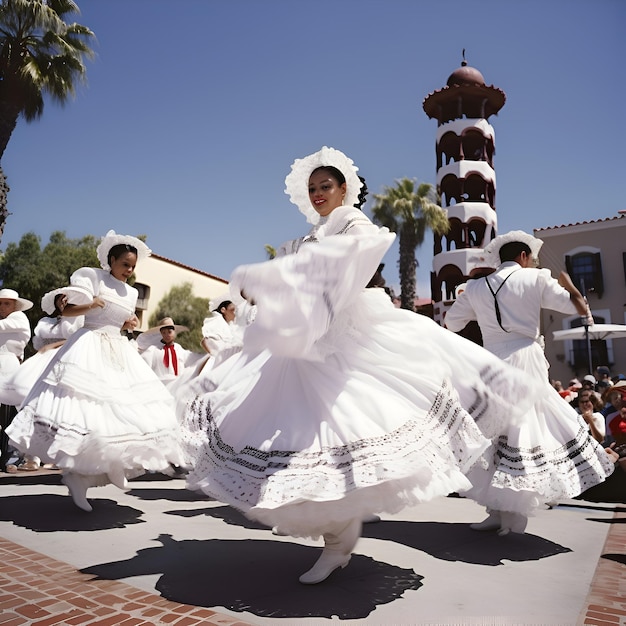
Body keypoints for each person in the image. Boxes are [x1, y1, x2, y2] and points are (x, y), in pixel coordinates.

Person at [184, 147, 541, 585]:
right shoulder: (313, 234)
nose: (318, 193)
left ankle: (338, 540)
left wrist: (294, 270)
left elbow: (358, 255)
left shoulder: (353, 224)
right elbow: (298, 272)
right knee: (297, 439)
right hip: (308, 343)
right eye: (313, 188)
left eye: (325, 186)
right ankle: (338, 532)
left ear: (344, 189)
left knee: (345, 428)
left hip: (351, 336)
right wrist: (276, 280)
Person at [445, 230, 614, 533]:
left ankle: (500, 511)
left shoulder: (475, 287)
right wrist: (571, 287)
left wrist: (471, 300)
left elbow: (451, 323)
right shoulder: (535, 279)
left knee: (493, 433)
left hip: (490, 361)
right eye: (532, 259)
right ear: (523, 257)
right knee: (525, 429)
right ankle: (508, 512)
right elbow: (575, 307)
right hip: (524, 357)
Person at [6, 230, 185, 511]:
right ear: (111, 260)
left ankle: (112, 467)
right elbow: (67, 312)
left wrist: (128, 324)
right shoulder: (93, 277)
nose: (129, 270)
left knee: (123, 414)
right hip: (89, 346)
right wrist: (92, 304)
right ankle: (78, 476)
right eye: (125, 264)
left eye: (133, 266)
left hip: (119, 350)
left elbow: (125, 320)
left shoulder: (132, 291)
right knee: (87, 412)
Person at [0, 288, 33, 472]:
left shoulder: (19, 317)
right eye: (0, 303)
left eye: (7, 303)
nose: (2, 307)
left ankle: (12, 459)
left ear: (15, 305)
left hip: (9, 368)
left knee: (13, 417)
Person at [138, 317, 193, 387]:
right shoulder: (154, 350)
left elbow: (191, 360)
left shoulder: (180, 350)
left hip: (178, 386)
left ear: (174, 332)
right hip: (161, 387)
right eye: (164, 333)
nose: (167, 335)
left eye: (169, 332)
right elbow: (143, 364)